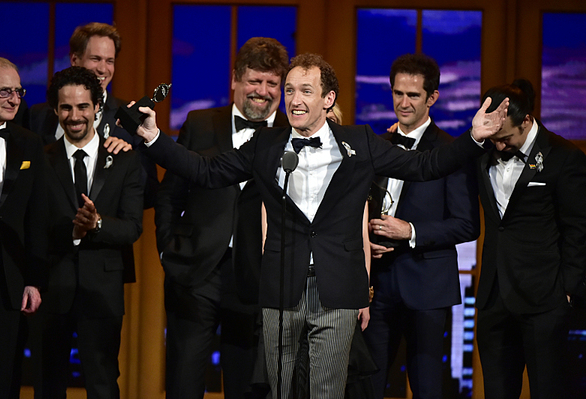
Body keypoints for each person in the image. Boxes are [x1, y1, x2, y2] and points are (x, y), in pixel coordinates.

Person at [127, 53, 508, 399]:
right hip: (279, 288)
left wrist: (474, 138)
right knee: (281, 391)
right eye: (289, 89)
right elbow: (206, 171)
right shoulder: (266, 144)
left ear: (327, 99)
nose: (294, 99)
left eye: (305, 91)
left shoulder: (360, 143)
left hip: (337, 291)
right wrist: (155, 138)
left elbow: (427, 166)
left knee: (326, 392)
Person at [154, 37, 289, 399]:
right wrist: (167, 247)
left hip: (258, 280)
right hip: (196, 272)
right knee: (183, 383)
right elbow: (171, 193)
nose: (262, 92)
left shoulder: (293, 136)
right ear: (234, 79)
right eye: (254, 81)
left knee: (248, 387)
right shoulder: (199, 123)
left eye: (271, 83)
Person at [363, 53, 480, 399]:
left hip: (427, 288)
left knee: (428, 387)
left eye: (413, 95)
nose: (403, 102)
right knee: (368, 383)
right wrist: (366, 240)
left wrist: (410, 231)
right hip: (376, 286)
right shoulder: (375, 146)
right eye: (398, 93)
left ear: (432, 98)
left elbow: (467, 225)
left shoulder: (451, 152)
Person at [474, 79, 586, 399]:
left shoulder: (564, 157)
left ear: (526, 121)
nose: (498, 145)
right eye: (493, 137)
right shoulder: (481, 153)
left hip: (544, 302)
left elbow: (579, 229)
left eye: (505, 137)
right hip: (494, 300)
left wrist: (566, 291)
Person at [37, 66, 143, 398]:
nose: (75, 116)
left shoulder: (125, 160)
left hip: (102, 292)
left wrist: (96, 224)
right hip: (51, 289)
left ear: (98, 107)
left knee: (102, 383)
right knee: (48, 383)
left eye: (83, 107)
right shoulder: (40, 160)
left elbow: (132, 227)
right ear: (55, 110)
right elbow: (33, 225)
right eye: (66, 107)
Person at [29, 22, 158, 209]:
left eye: (109, 61)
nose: (103, 69)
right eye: (96, 59)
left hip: (108, 232)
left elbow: (150, 194)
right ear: (74, 60)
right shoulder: (38, 116)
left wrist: (128, 161)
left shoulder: (132, 117)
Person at [0, 57, 47, 399]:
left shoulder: (29, 143)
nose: (13, 99)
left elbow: (36, 217)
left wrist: (34, 280)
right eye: (4, 91)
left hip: (9, 282)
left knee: (2, 376)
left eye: (18, 92)